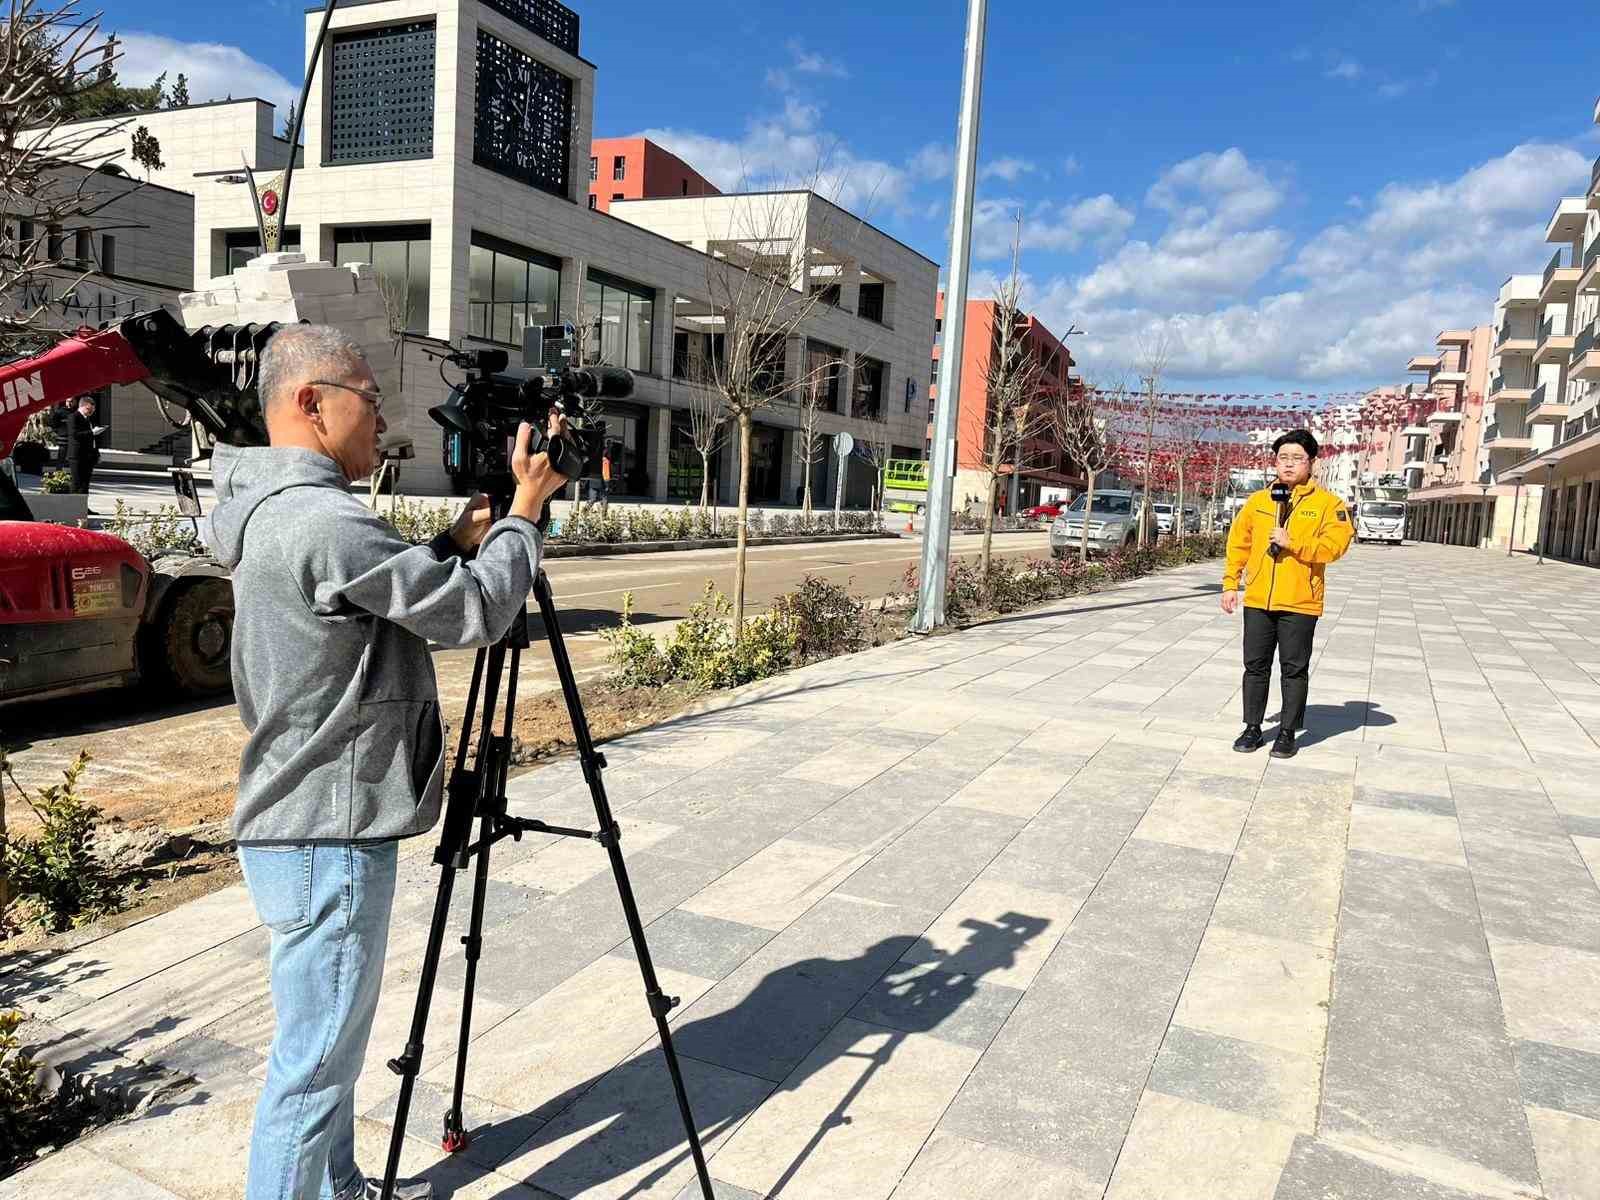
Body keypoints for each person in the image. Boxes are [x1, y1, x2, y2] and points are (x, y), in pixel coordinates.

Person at [204, 325, 571, 1200]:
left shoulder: (271, 512)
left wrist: (445, 545)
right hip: (326, 829)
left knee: (327, 1047)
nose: (381, 422)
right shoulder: (325, 520)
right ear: (309, 401)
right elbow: (478, 613)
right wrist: (524, 516)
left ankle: (337, 1188)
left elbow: (364, 608)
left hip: (301, 819)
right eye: (368, 400)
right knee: (312, 1068)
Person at [1220, 429, 1353, 759]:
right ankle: (1252, 727)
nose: (1289, 465)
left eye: (1297, 458)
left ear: (1312, 463)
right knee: (1255, 666)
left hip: (1300, 601)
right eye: (1283, 458)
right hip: (1259, 598)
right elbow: (1239, 544)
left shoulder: (1328, 505)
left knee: (1293, 669)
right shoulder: (1259, 501)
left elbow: (1336, 546)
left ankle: (1287, 732)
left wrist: (1295, 543)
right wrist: (1230, 583)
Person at [64, 395, 100, 499]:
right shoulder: (73, 417)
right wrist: (92, 432)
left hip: (88, 455)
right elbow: (74, 434)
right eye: (89, 409)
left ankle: (84, 507)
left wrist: (96, 453)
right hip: (77, 455)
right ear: (82, 406)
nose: (91, 412)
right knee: (77, 481)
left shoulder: (88, 419)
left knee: (85, 482)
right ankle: (73, 506)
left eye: (93, 410)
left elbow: (92, 439)